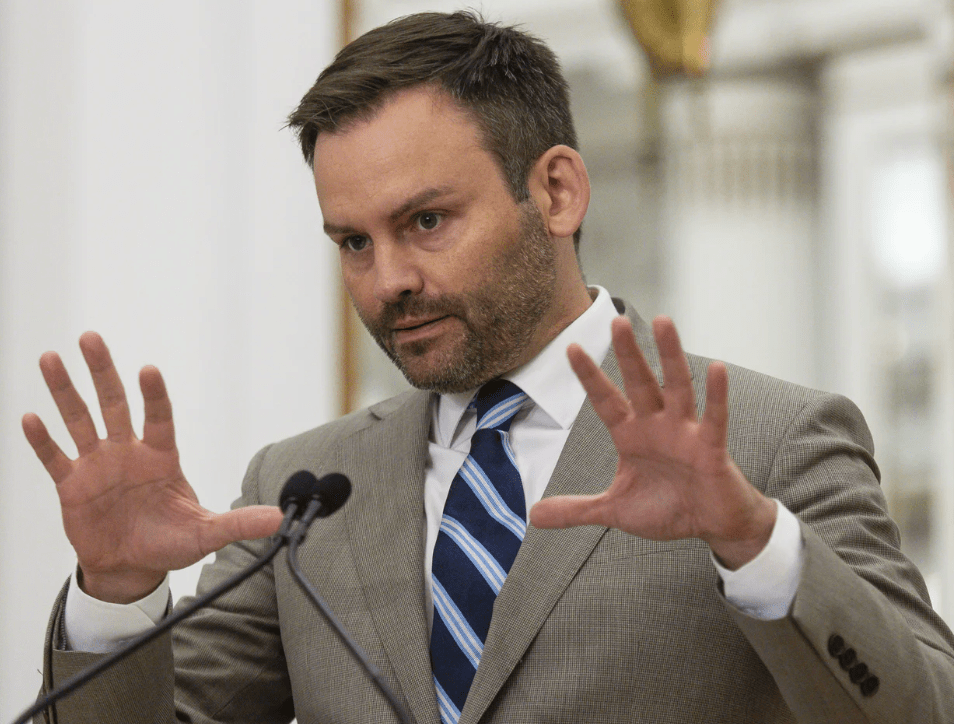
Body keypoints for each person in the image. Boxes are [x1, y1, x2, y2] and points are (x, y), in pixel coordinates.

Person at [22, 11, 954, 724]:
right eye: (353, 242)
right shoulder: (302, 489)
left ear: (557, 191)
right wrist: (116, 596)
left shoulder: (772, 440)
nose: (389, 280)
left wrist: (755, 543)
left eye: (426, 221)